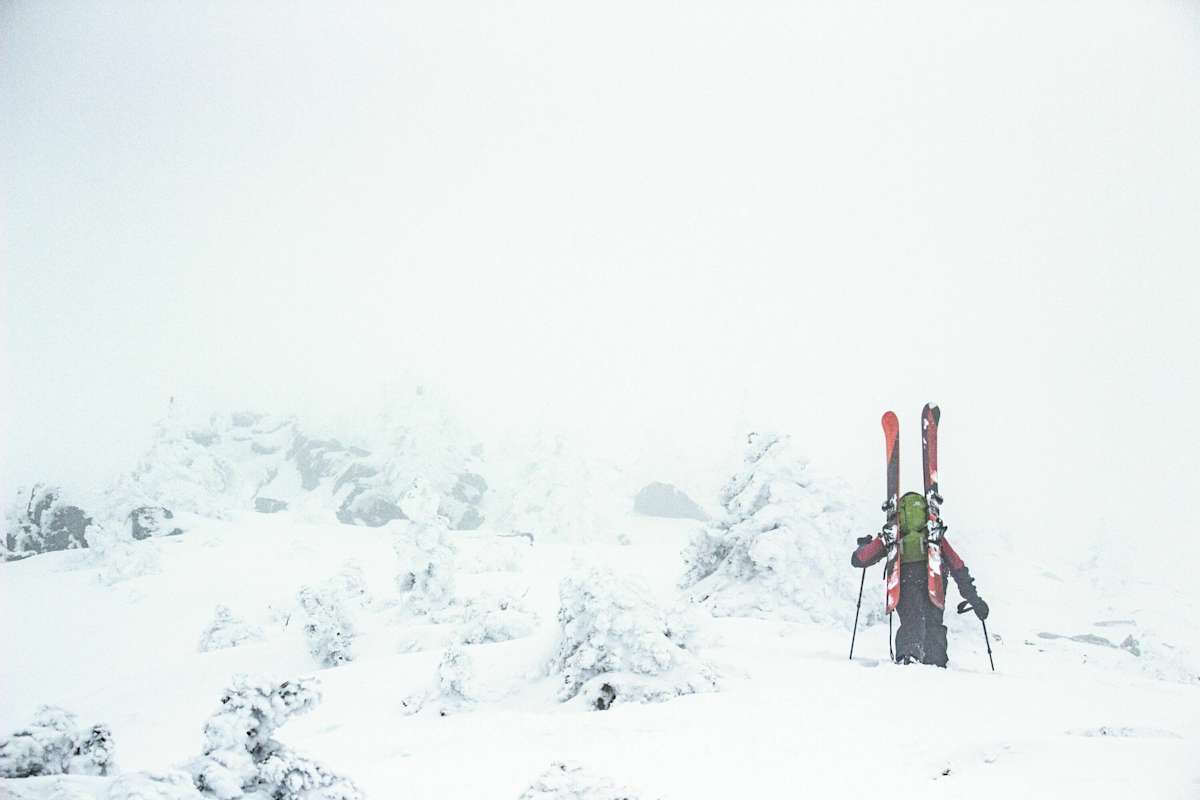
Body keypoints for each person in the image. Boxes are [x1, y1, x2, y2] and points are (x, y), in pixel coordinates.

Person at [851, 492, 987, 667]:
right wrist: (975, 600)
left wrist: (864, 546)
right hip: (933, 579)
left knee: (912, 619)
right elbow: (958, 566)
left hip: (905, 580)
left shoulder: (893, 535)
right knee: (933, 622)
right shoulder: (933, 537)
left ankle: (908, 658)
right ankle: (936, 664)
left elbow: (859, 560)